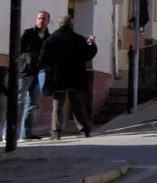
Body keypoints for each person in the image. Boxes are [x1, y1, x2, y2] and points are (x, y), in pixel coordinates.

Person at [40, 15, 98, 139]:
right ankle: (85, 130)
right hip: (75, 77)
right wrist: (91, 44)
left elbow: (42, 59)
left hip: (57, 78)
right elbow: (88, 55)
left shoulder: (51, 39)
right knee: (77, 104)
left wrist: (49, 70)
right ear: (71, 25)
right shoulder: (78, 39)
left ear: (59, 24)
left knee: (58, 105)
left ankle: (56, 132)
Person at [18, 10, 50, 140]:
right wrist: (23, 63)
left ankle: (26, 133)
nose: (41, 21)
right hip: (26, 72)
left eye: (43, 19)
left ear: (48, 21)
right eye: (39, 18)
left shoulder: (49, 37)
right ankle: (8, 132)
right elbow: (18, 50)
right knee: (18, 102)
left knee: (32, 104)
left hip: (39, 72)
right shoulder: (28, 33)